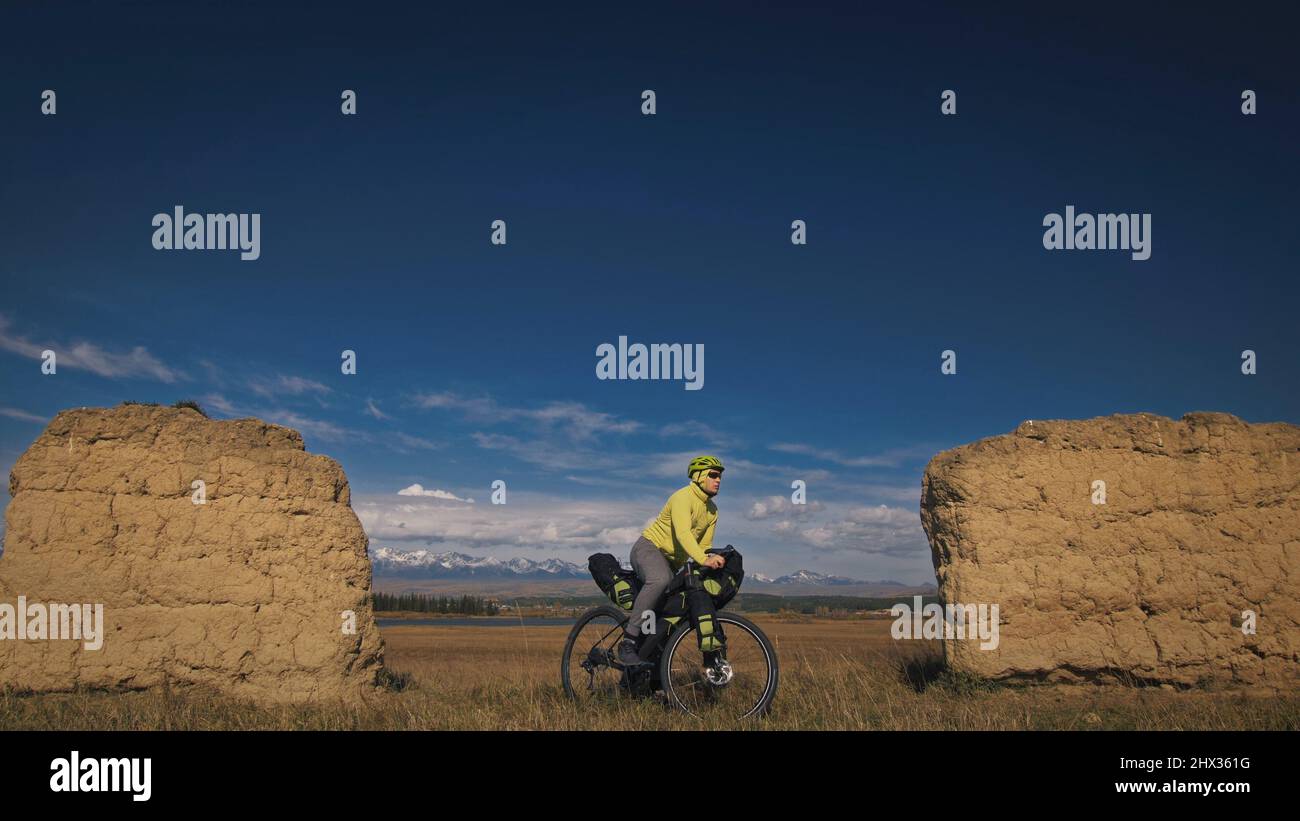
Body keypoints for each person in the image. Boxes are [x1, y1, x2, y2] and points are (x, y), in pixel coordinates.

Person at [618, 455, 726, 666]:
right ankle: (628, 641)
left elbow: (703, 546)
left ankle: (650, 666)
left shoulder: (712, 511)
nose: (718, 479)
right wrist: (704, 558)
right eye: (713, 475)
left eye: (720, 476)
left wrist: (710, 558)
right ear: (698, 476)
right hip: (649, 548)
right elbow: (683, 534)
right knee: (661, 580)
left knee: (674, 610)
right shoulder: (682, 497)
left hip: (672, 563)